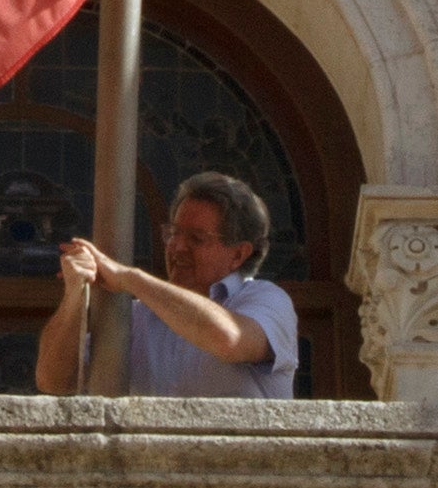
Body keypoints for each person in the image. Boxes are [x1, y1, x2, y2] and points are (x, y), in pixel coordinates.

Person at [34, 168, 298, 398]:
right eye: (173, 233)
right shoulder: (136, 316)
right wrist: (75, 294)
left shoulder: (266, 299)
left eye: (196, 238)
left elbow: (230, 340)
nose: (177, 247)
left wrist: (130, 278)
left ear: (238, 254)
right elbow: (54, 382)